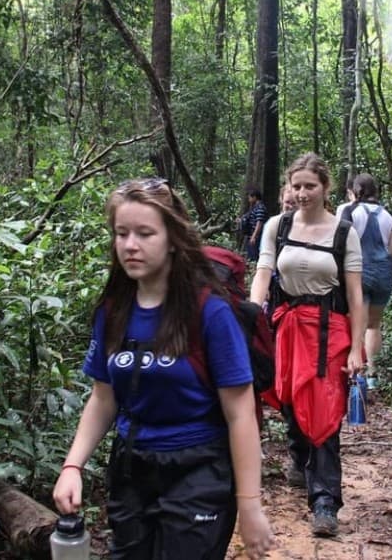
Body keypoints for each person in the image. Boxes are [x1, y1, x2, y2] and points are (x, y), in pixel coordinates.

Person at [53, 178, 275, 560]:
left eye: (144, 233)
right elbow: (103, 397)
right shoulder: (114, 310)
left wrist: (250, 506)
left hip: (199, 468)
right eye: (121, 233)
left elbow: (239, 414)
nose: (130, 245)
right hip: (132, 468)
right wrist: (73, 465)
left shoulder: (210, 311)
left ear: (172, 238)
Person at [249, 153, 365, 538]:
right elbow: (263, 272)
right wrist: (250, 317)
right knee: (289, 400)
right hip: (287, 326)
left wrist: (356, 349)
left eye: (310, 186)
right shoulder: (276, 226)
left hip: (330, 332)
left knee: (325, 410)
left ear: (326, 188)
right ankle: (299, 456)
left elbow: (355, 294)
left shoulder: (344, 232)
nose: (302, 193)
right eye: (296, 186)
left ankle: (325, 502)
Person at [337, 173, 392, 389]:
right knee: (374, 325)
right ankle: (373, 374)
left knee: (356, 323)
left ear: (355, 191)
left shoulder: (350, 211)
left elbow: (340, 242)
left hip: (358, 273)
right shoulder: (389, 216)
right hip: (383, 274)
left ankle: (357, 373)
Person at [241, 187, 268, 262]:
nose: (248, 199)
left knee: (254, 256)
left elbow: (259, 223)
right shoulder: (254, 208)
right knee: (250, 255)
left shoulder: (260, 208)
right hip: (251, 235)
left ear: (255, 197)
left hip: (257, 237)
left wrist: (254, 236)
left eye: (250, 197)